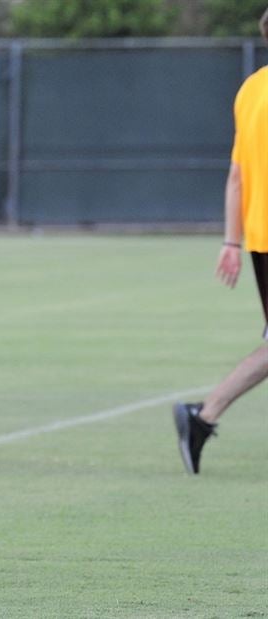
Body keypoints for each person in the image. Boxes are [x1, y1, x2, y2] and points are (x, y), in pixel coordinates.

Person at [172, 8, 268, 475]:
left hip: (260, 238)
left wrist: (233, 241)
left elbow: (237, 174)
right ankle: (201, 418)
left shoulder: (251, 89)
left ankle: (202, 417)